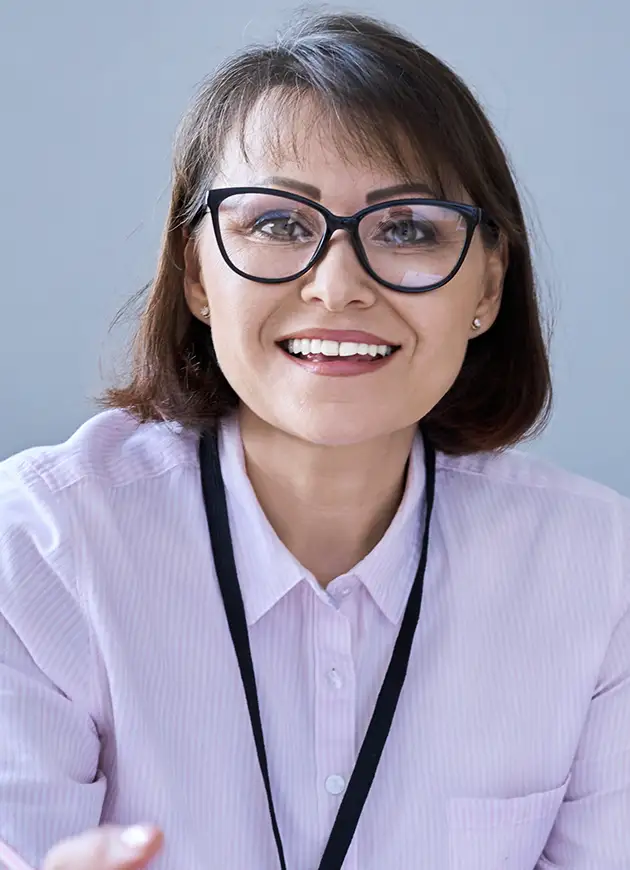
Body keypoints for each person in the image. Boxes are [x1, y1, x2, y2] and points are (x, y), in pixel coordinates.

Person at [1, 10, 628, 870]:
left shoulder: (600, 573)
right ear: (196, 274)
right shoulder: (39, 547)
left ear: (487, 285)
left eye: (408, 229)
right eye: (278, 224)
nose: (338, 288)